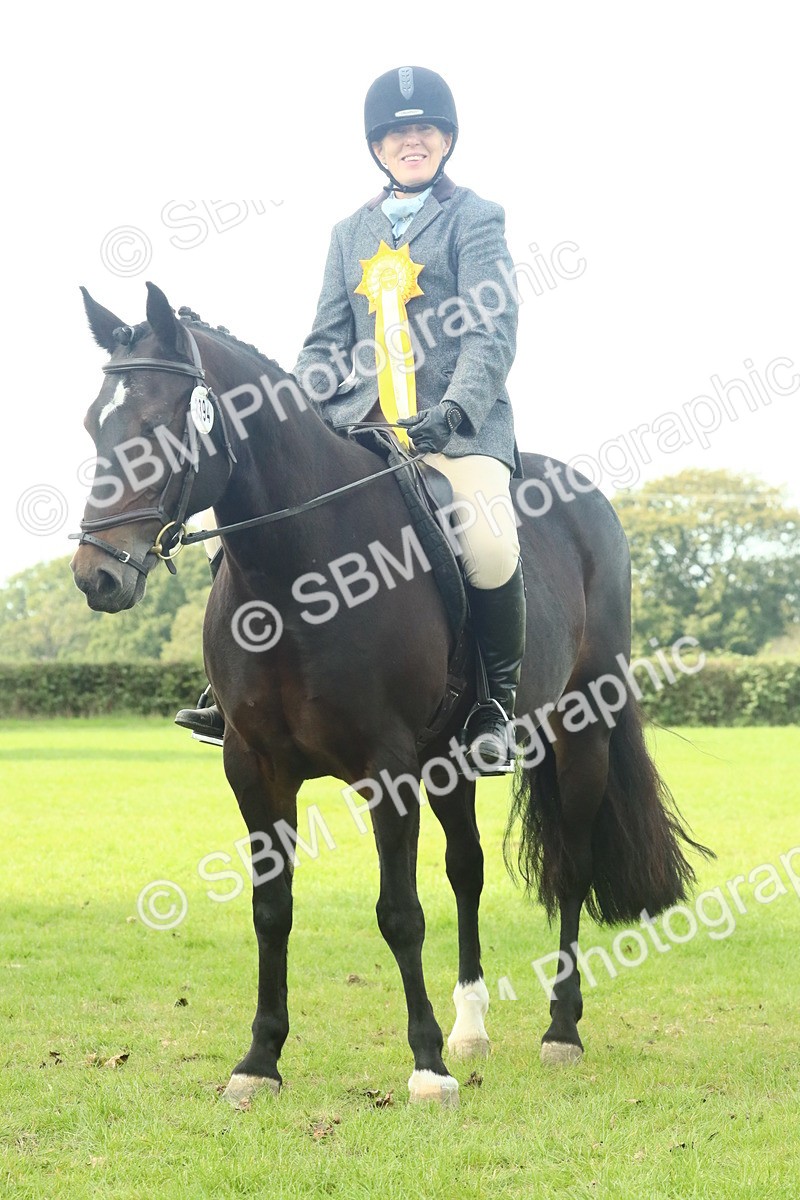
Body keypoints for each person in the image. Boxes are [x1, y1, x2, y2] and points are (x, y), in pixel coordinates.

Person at [177, 65, 525, 773]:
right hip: (356, 430)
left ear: (447, 138)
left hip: (452, 431)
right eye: (399, 134)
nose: (412, 142)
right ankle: (229, 693)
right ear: (378, 146)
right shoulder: (348, 233)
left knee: (488, 544)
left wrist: (454, 409)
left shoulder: (476, 218)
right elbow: (325, 341)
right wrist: (302, 413)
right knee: (236, 525)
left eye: (425, 130)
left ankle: (495, 706)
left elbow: (492, 330)